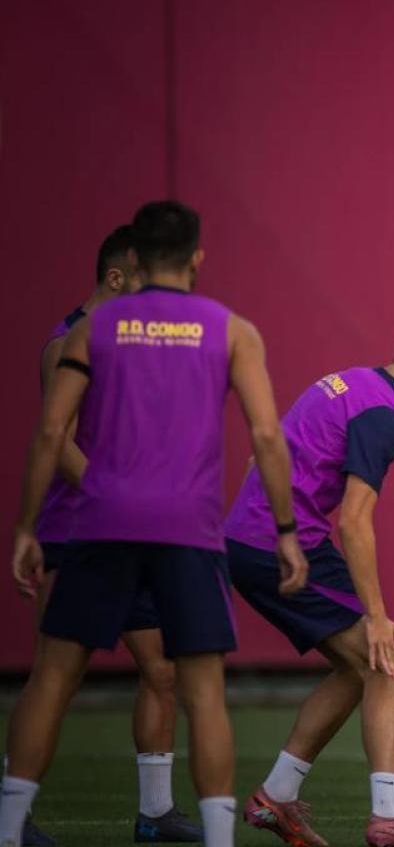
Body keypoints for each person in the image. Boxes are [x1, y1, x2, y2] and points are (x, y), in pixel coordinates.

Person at [2, 200, 308, 847]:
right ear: (197, 258)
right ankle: (220, 839)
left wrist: (27, 526)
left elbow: (52, 429)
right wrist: (285, 530)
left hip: (101, 523)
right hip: (187, 531)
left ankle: (7, 829)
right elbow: (264, 434)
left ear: (134, 259)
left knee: (54, 677)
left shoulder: (93, 328)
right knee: (202, 691)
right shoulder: (232, 330)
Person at [228, 310, 394, 847]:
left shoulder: (348, 382)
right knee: (386, 664)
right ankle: (388, 818)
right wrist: (379, 618)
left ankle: (276, 797)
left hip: (249, 539)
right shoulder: (385, 414)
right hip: (281, 545)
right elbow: (355, 520)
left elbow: (258, 457)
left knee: (354, 668)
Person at [27, 224, 200, 844]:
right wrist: (113, 495)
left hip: (136, 536)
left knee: (164, 670)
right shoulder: (66, 345)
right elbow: (60, 441)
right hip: (77, 534)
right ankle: (13, 816)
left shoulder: (134, 346)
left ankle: (155, 814)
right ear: (118, 277)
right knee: (57, 677)